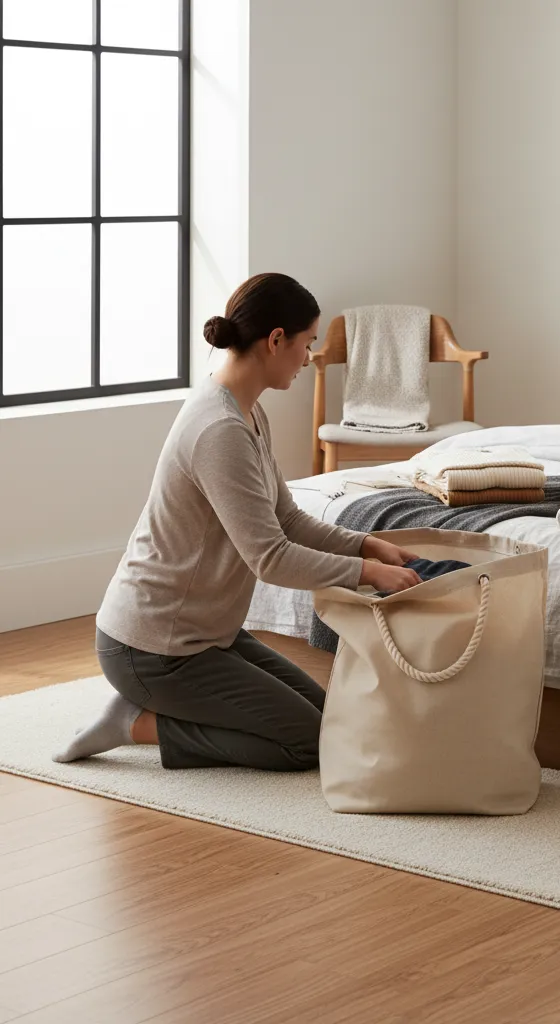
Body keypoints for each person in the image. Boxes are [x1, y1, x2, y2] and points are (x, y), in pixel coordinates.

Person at [54, 273, 422, 770]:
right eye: (307, 343)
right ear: (276, 340)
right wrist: (366, 574)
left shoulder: (246, 411)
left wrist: (365, 545)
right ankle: (135, 723)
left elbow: (286, 518)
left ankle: (152, 709)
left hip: (205, 635)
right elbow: (270, 558)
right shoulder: (220, 429)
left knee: (329, 721)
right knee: (307, 743)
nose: (309, 358)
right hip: (152, 648)